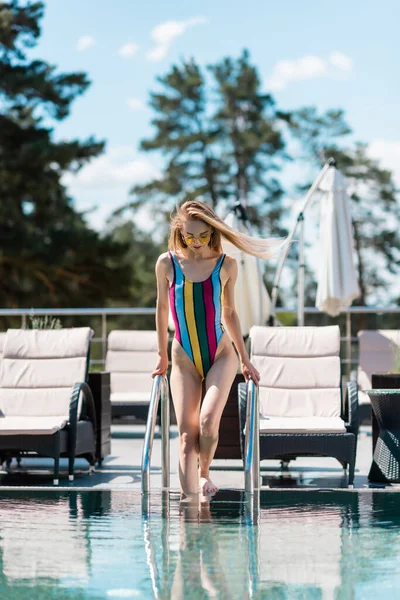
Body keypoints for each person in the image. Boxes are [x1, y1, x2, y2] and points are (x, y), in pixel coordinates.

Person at [152, 199, 280, 498]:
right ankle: (189, 509)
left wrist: (245, 359)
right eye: (189, 236)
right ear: (180, 233)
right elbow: (160, 310)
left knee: (208, 424)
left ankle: (204, 473)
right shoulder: (167, 263)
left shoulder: (227, 265)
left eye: (202, 236)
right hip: (183, 357)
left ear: (213, 232)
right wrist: (161, 354)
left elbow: (230, 313)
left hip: (221, 355)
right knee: (186, 434)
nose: (195, 243)